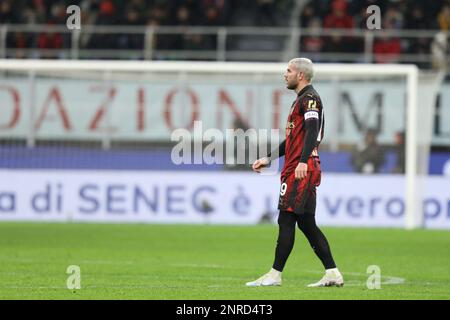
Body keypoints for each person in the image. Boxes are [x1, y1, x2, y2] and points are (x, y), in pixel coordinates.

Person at [246, 58, 343, 287]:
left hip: (300, 170)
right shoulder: (301, 100)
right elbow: (292, 140)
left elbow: (311, 131)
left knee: (286, 218)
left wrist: (302, 162)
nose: (285, 74)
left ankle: (274, 275)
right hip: (301, 167)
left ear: (300, 75)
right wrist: (268, 158)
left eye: (288, 70)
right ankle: (332, 273)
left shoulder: (309, 99)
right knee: (307, 223)